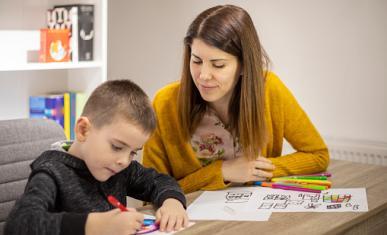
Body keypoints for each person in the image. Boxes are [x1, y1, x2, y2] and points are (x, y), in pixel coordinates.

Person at [142, 4, 329, 194]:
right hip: (193, 222)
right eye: (196, 60)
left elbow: (318, 155)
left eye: (218, 65)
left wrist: (255, 170)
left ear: (244, 65)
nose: (203, 75)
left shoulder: (269, 88)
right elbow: (149, 192)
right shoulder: (164, 103)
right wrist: (222, 171)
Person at [5, 80, 188, 235]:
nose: (124, 160)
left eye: (133, 152)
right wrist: (95, 226)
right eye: (117, 147)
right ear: (83, 130)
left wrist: (173, 202)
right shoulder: (51, 173)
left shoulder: (120, 168)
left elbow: (159, 180)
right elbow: (19, 224)